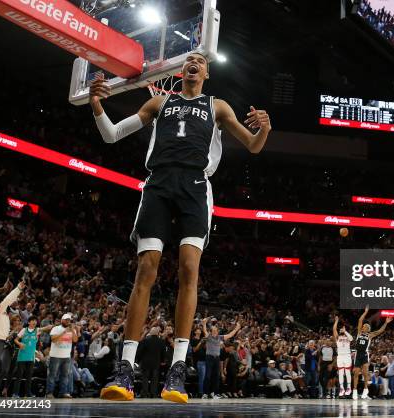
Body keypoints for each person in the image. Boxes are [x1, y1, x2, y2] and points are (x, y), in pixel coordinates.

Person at [91, 51, 271, 404]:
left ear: (206, 73)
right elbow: (112, 135)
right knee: (146, 269)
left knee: (189, 268)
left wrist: (264, 128)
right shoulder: (160, 102)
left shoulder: (217, 107)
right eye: (190, 59)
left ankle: (177, 368)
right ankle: (125, 367)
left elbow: (252, 146)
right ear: (181, 70)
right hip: (158, 183)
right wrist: (97, 105)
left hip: (195, 187)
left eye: (201, 61)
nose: (194, 63)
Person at [352, 307, 392, 400]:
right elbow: (360, 320)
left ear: (368, 329)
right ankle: (354, 391)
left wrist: (386, 322)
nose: (365, 326)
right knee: (356, 373)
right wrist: (365, 312)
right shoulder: (359, 333)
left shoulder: (370, 335)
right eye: (364, 326)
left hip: (365, 354)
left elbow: (380, 331)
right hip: (358, 354)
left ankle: (366, 390)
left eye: (367, 326)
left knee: (365, 373)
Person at [12, 316, 52, 398]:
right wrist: (20, 344)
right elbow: (15, 340)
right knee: (19, 375)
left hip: (31, 356)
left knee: (29, 376)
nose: (34, 322)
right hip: (22, 355)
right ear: (29, 322)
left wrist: (51, 326)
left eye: (35, 321)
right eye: (33, 320)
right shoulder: (24, 330)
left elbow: (45, 328)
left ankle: (28, 393)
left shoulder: (37, 330)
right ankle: (15, 393)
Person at [202, 317, 240, 399]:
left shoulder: (220, 337)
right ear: (211, 332)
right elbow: (204, 331)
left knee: (216, 376)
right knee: (208, 376)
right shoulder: (209, 336)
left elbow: (230, 335)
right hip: (209, 358)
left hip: (217, 358)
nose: (215, 331)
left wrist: (236, 329)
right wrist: (204, 323)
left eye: (216, 330)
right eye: (214, 330)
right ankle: (205, 393)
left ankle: (214, 393)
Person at [46, 313, 79, 399]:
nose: (68, 321)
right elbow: (53, 339)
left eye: (69, 320)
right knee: (52, 375)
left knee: (65, 376)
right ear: (62, 320)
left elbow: (75, 340)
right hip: (55, 356)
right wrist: (64, 332)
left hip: (66, 356)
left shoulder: (72, 330)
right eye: (66, 320)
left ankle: (63, 392)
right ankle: (49, 393)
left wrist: (72, 330)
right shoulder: (56, 328)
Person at [137, 327, 166, 398]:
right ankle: (154, 394)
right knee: (155, 379)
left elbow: (140, 352)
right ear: (157, 333)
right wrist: (163, 361)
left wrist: (138, 360)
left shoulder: (145, 340)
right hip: (156, 363)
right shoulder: (161, 341)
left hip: (145, 363)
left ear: (150, 333)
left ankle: (145, 393)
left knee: (145, 379)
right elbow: (163, 353)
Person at [332, 315, 353, 397]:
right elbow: (334, 329)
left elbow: (351, 339)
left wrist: (346, 332)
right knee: (340, 372)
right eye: (341, 329)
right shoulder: (338, 337)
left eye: (343, 329)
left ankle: (348, 387)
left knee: (347, 372)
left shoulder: (348, 337)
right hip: (340, 356)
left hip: (347, 356)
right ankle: (341, 388)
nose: (341, 330)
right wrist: (336, 321)